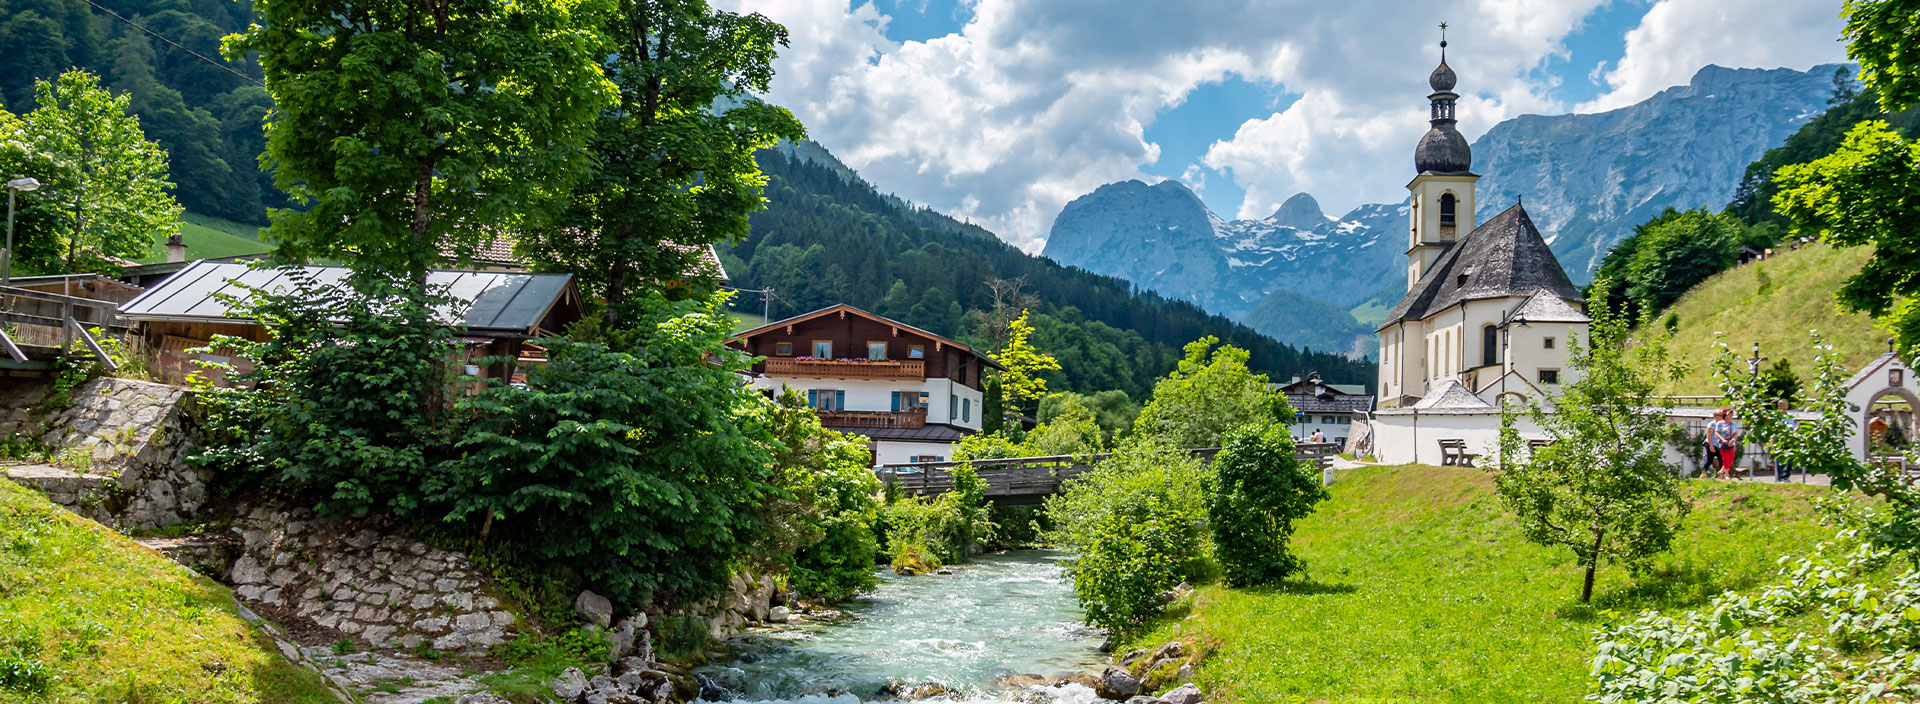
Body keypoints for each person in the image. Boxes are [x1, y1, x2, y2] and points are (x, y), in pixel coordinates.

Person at [1708, 408, 1739, 480]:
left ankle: (1721, 472)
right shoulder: (1720, 423)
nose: (1731, 416)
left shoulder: (1734, 424)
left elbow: (1736, 434)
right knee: (1726, 460)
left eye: (1732, 415)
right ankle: (1726, 474)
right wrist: (1723, 440)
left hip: (1731, 444)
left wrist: (1733, 440)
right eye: (1729, 415)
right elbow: (1717, 433)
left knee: (1730, 460)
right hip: (1723, 444)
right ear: (1725, 415)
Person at [1773, 399, 1796, 482]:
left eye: (1785, 405)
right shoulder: (1775, 416)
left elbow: (1794, 427)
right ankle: (1781, 478)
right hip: (1779, 440)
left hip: (1789, 440)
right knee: (1780, 459)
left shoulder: (1791, 416)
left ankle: (1786, 477)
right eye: (1782, 405)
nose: (1784, 407)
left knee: (1790, 459)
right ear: (1778, 406)